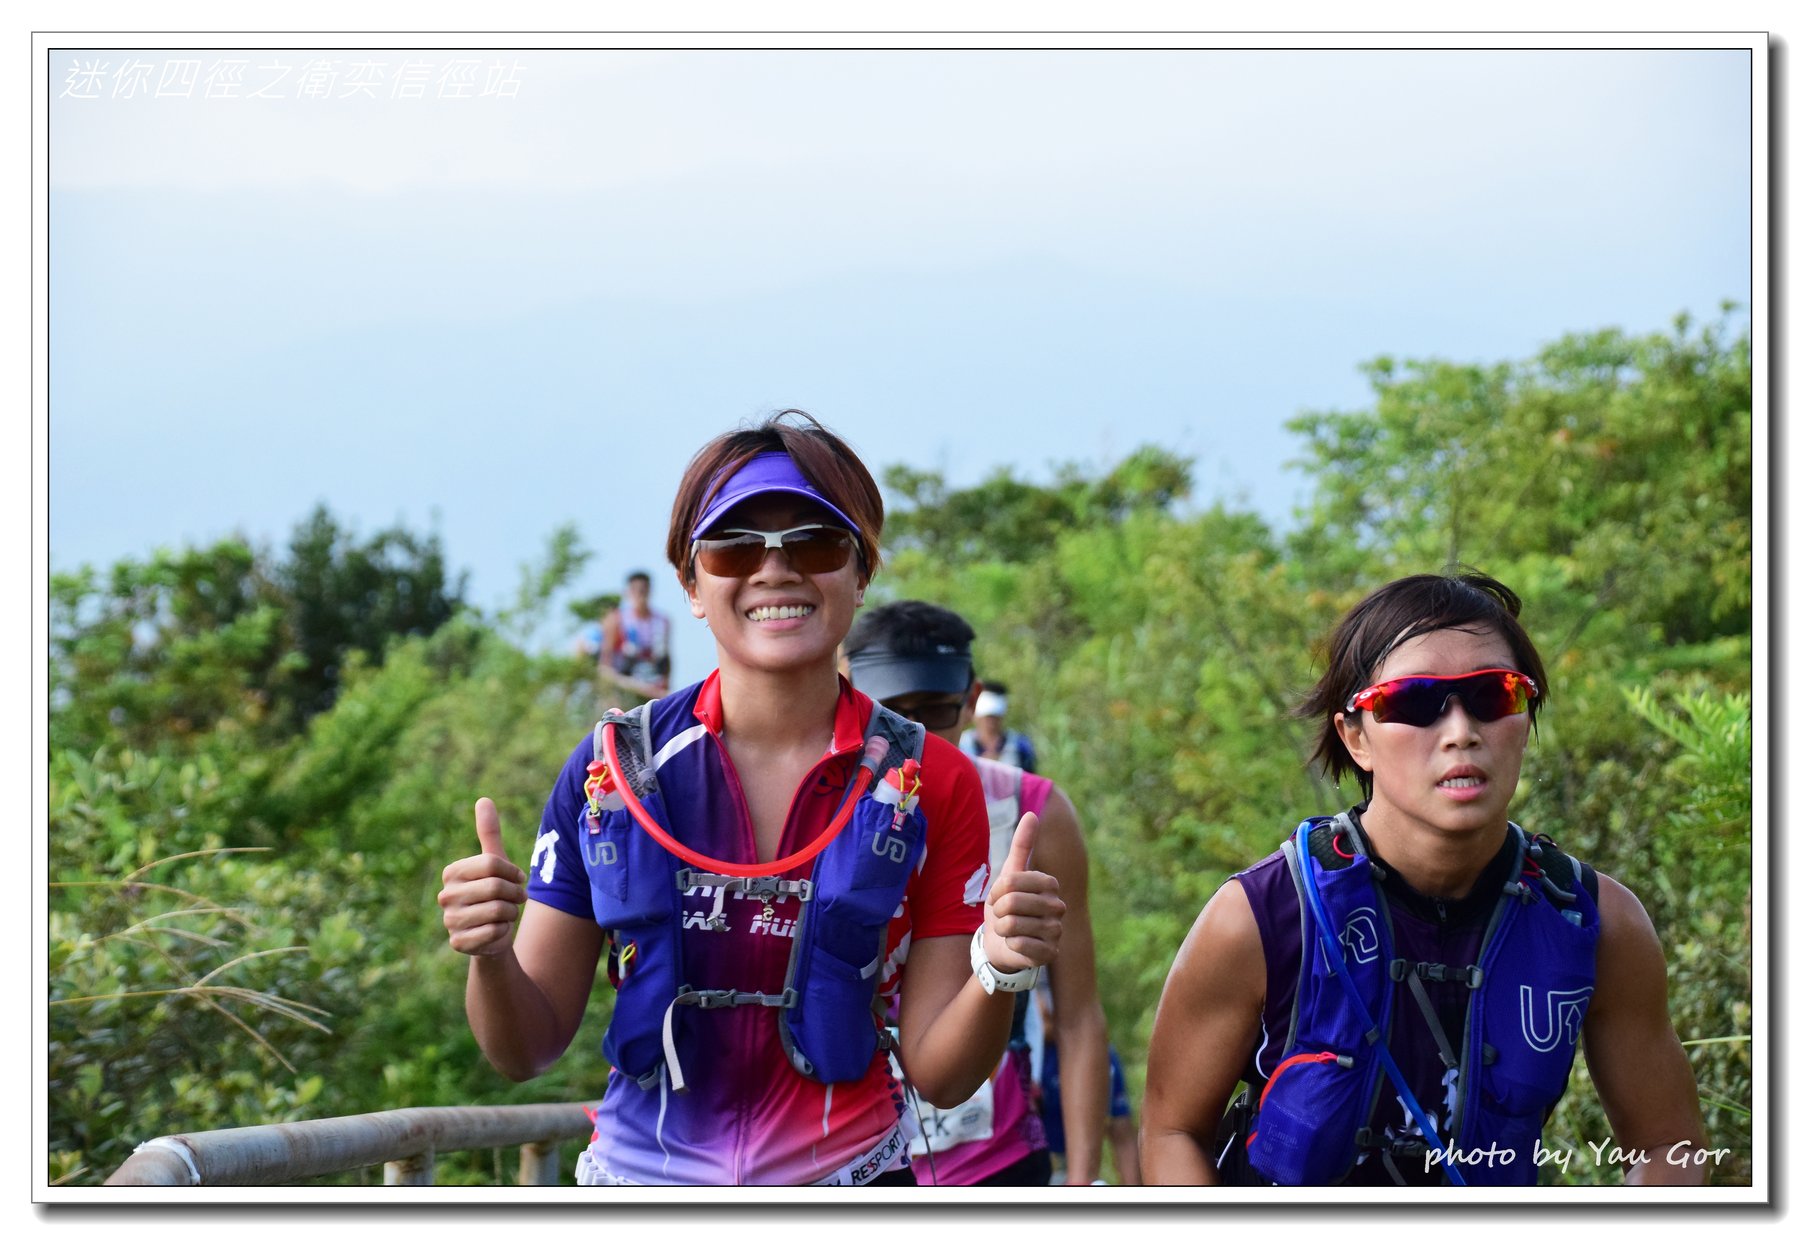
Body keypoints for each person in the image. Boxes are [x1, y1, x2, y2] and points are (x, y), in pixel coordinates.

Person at [438, 411, 1065, 1186]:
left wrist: (1001, 968)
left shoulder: (929, 778)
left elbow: (941, 1075)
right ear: (691, 583)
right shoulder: (614, 772)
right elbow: (523, 1048)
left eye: (816, 542)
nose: (775, 570)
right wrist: (490, 954)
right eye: (735, 546)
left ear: (861, 571)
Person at [1141, 571, 1708, 1186]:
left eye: (1493, 695)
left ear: (1526, 716)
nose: (1461, 732)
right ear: (1355, 737)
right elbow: (1171, 1132)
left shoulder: (1596, 923)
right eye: (1413, 701)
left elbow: (1669, 1144)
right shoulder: (1262, 916)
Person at [843, 600, 1109, 1186]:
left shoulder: (1030, 809)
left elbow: (1079, 1014)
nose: (915, 734)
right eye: (892, 712)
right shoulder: (815, 812)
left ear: (971, 698)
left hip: (996, 1158)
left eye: (936, 710)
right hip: (848, 1158)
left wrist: (1083, 1183)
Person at [1037, 1010, 1142, 1187]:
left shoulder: (1099, 1056)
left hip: (1077, 1172)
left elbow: (1122, 1135)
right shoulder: (1021, 1057)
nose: (1044, 1007)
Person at [597, 571, 672, 700]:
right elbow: (605, 664)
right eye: (635, 590)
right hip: (625, 682)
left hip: (652, 681)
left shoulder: (662, 621)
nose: (639, 594)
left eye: (643, 590)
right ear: (628, 592)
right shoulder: (617, 619)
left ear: (649, 590)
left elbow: (666, 659)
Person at [960, 681, 1038, 773]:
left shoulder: (1021, 746)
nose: (991, 721)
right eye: (987, 717)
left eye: (995, 717)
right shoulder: (961, 745)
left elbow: (1030, 778)